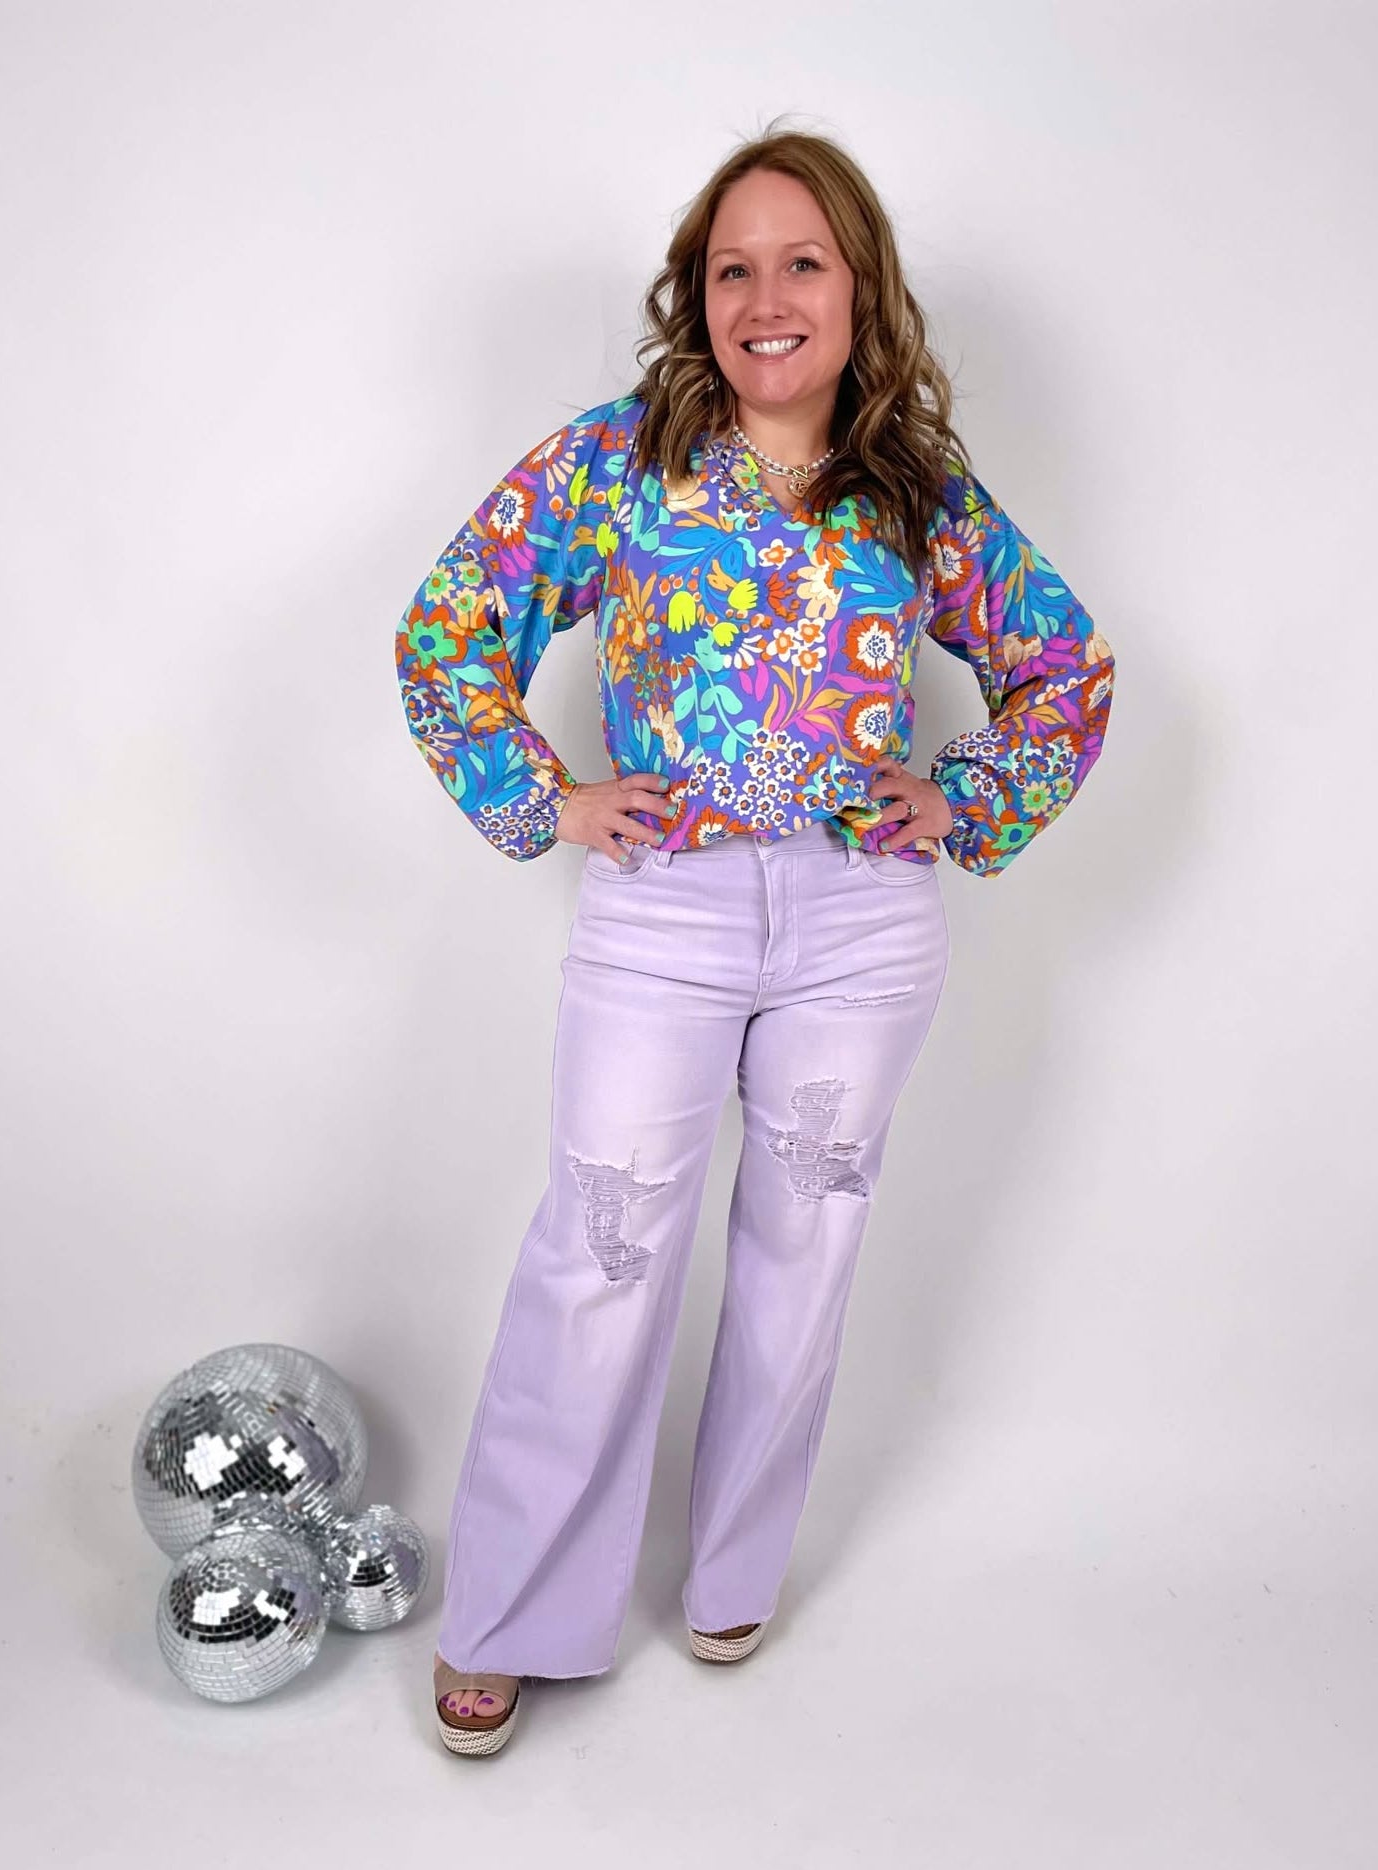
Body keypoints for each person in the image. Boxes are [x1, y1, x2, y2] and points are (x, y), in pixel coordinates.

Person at [394, 125, 1115, 1757]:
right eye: (733, 267)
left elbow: (1066, 668)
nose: (765, 298)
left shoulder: (914, 490)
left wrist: (962, 796)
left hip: (862, 921)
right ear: (696, 294)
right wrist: (551, 796)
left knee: (804, 1250)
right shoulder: (618, 462)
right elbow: (449, 625)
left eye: (801, 263)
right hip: (665, 905)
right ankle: (512, 1610)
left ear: (859, 292)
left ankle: (732, 1567)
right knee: (601, 1251)